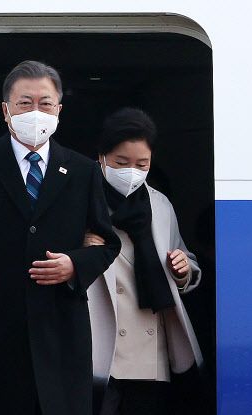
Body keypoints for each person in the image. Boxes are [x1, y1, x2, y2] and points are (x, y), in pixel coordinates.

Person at [0, 60, 120, 415]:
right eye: (24, 103)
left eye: (45, 104)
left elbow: (108, 243)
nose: (36, 113)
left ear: (59, 110)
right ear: (6, 111)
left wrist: (74, 265)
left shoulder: (82, 170)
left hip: (58, 328)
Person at [84, 107, 203, 415]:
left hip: (151, 349)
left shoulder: (160, 205)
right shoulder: (80, 199)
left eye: (142, 164)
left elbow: (185, 260)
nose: (132, 172)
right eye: (122, 163)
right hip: (100, 342)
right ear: (102, 158)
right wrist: (81, 251)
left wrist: (183, 269)